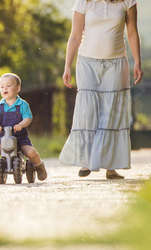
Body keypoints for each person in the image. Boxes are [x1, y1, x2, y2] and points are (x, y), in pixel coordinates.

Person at [59, 0, 143, 179]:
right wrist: (67, 66)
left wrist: (137, 61)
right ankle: (87, 160)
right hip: (87, 62)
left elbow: (132, 32)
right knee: (88, 111)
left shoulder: (127, 2)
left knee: (111, 112)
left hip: (116, 63)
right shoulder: (84, 2)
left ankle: (110, 167)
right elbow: (75, 35)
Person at [0, 73, 47, 184]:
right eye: (2, 86)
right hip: (3, 137)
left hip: (20, 138)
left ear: (17, 88)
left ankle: (39, 166)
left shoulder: (22, 104)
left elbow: (28, 118)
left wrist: (21, 124)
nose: (5, 88)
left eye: (9, 85)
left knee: (31, 152)